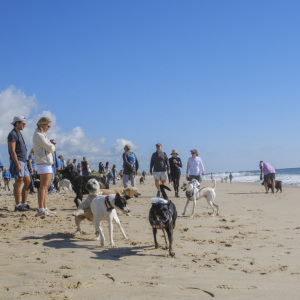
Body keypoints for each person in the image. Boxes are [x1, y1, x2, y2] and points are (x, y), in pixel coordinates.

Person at [7, 116, 32, 211]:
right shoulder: (12, 134)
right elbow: (12, 150)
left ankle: (24, 203)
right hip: (17, 161)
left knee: (28, 181)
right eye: (23, 123)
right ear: (17, 123)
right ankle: (17, 206)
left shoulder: (19, 133)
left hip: (23, 161)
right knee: (18, 182)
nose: (24, 125)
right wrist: (17, 164)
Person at [33, 117, 56, 217]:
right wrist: (52, 146)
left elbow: (50, 147)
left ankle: (45, 208)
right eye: (48, 126)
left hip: (46, 162)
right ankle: (41, 209)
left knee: (46, 187)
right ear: (42, 124)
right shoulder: (38, 135)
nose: (49, 128)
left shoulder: (42, 135)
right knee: (43, 187)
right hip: (43, 162)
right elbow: (50, 147)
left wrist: (51, 146)